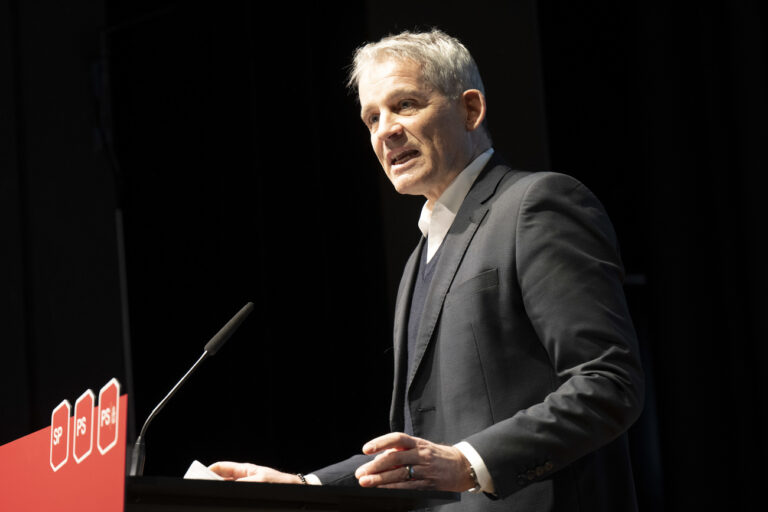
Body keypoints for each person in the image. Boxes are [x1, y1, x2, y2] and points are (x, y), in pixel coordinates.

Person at [210, 29, 644, 511]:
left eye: (406, 105)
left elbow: (609, 382)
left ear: (470, 110)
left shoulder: (536, 206)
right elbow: (422, 448)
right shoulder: (420, 257)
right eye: (371, 118)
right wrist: (307, 487)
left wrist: (469, 463)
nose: (385, 131)